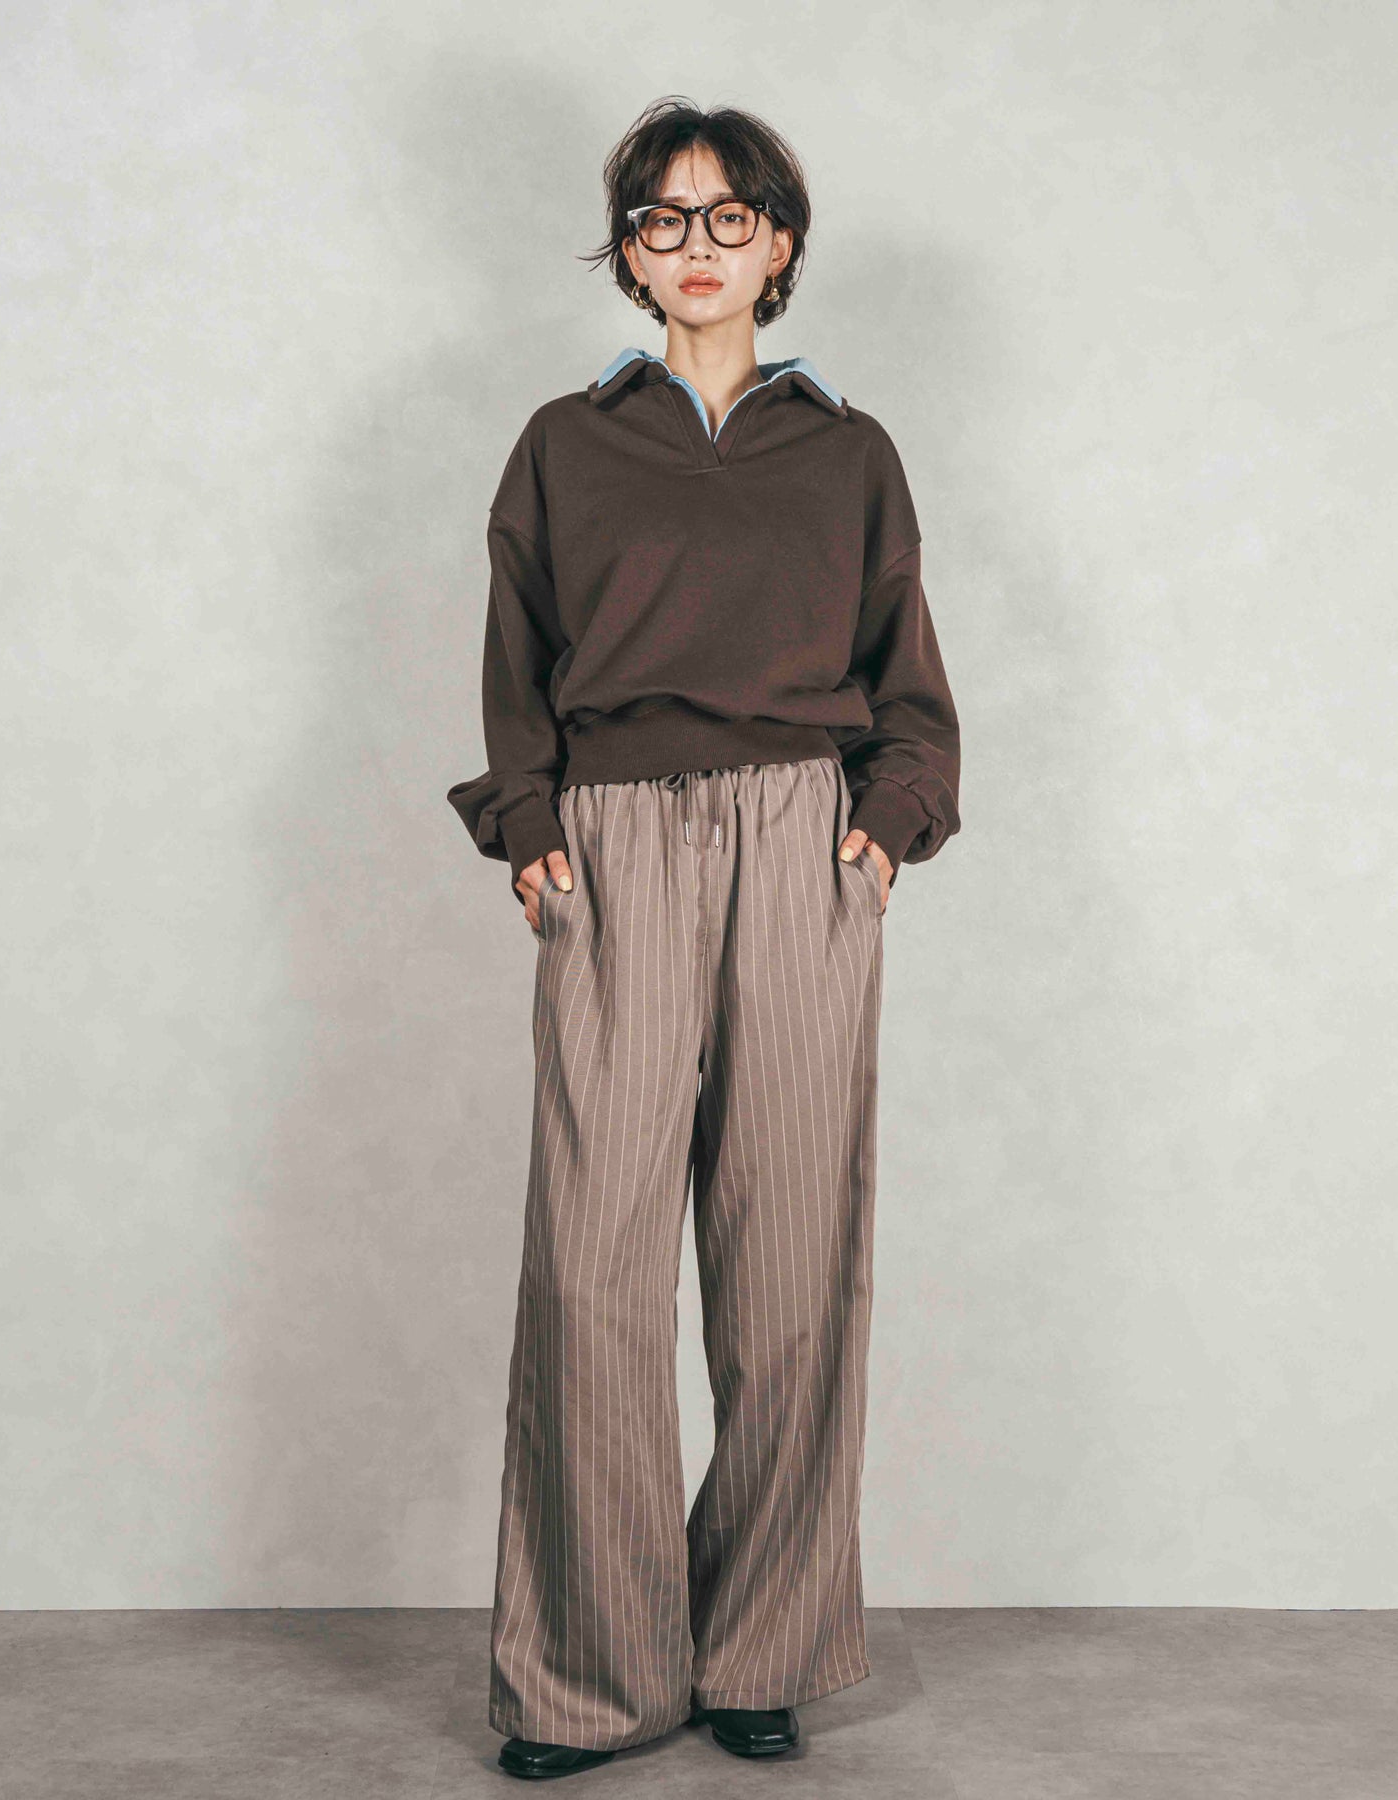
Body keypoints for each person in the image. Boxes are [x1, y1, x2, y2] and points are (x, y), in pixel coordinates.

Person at [447, 97, 961, 1781]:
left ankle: (762, 1650)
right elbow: (517, 660)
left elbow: (910, 682)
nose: (695, 246)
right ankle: (589, 1678)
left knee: (789, 1265)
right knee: (592, 1273)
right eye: (661, 219)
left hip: (805, 844)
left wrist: (889, 824)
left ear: (781, 243)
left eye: (728, 216)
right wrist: (531, 829)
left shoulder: (850, 452)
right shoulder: (565, 442)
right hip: (614, 846)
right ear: (629, 251)